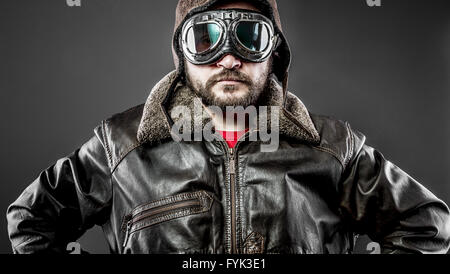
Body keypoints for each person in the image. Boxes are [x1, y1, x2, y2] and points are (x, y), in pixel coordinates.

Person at [6, 0, 450, 254]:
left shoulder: (332, 147)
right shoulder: (121, 145)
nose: (229, 57)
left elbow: (426, 222)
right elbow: (30, 219)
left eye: (250, 38)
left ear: (274, 52)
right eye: (207, 39)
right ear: (182, 54)